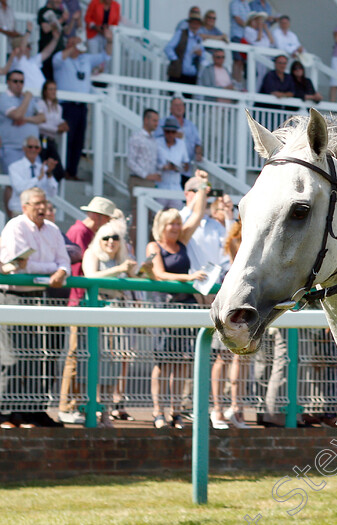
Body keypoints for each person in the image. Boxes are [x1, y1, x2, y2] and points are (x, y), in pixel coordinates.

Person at [0, 187, 70, 428]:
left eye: (45, 202)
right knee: (11, 358)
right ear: (25, 206)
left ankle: (32, 411)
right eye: (37, 203)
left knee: (38, 356)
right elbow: (22, 265)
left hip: (40, 297)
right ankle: (6, 413)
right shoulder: (15, 226)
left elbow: (65, 261)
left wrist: (61, 270)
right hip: (13, 297)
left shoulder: (52, 229)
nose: (42, 207)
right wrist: (54, 268)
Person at [145, 201, 208, 429]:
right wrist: (189, 278)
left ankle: (176, 410)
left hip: (186, 306)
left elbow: (198, 213)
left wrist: (202, 186)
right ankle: (157, 411)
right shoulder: (154, 246)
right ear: (161, 225)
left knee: (182, 363)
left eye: (177, 223)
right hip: (166, 308)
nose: (175, 227)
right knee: (163, 363)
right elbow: (160, 273)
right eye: (171, 223)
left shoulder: (182, 242)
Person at [58, 196, 118, 425]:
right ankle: (66, 405)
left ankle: (74, 404)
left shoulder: (86, 232)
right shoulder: (79, 232)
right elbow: (81, 268)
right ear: (99, 216)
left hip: (85, 301)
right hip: (79, 300)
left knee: (82, 356)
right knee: (74, 356)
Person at [81, 220, 147, 425]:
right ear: (98, 239)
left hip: (118, 315)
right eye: (106, 238)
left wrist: (144, 269)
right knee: (95, 363)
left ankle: (107, 411)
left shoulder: (122, 258)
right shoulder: (92, 254)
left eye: (115, 238)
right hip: (96, 313)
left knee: (114, 365)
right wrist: (119, 268)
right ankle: (92, 409)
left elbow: (136, 279)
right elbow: (91, 276)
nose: (111, 242)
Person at [53, 35, 111, 180]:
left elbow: (106, 55)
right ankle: (63, 170)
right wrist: (73, 46)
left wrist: (109, 40)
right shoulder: (62, 58)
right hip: (67, 105)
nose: (76, 45)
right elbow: (57, 60)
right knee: (68, 139)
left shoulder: (86, 59)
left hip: (82, 106)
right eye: (71, 42)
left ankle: (73, 171)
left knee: (79, 140)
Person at [0, 71, 46, 169]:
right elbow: (17, 116)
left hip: (32, 150)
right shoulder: (4, 98)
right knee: (13, 182)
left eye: (21, 82)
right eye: (15, 81)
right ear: (8, 82)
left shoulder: (27, 98)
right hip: (12, 149)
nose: (19, 84)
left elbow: (42, 117)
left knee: (36, 181)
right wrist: (27, 98)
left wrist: (26, 119)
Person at [127, 108, 162, 234]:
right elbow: (131, 162)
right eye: (154, 120)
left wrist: (159, 172)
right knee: (137, 217)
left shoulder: (154, 140)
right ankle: (133, 250)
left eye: (157, 121)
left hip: (150, 182)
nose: (156, 123)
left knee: (148, 217)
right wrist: (147, 175)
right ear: (146, 120)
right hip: (138, 180)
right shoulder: (136, 137)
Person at [7, 136, 58, 216]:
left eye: (36, 147)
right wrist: (38, 178)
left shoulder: (43, 168)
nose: (33, 150)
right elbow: (19, 189)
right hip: (20, 211)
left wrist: (49, 174)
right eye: (30, 147)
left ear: (39, 149)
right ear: (24, 148)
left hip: (39, 213)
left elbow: (52, 193)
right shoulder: (14, 167)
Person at [2, 30, 61, 95]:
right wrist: (28, 31)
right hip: (29, 96)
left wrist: (55, 39)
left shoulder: (33, 60)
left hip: (42, 96)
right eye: (28, 46)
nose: (30, 49)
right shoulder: (16, 60)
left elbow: (47, 52)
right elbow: (22, 49)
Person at [35, 80, 68, 183]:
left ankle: (50, 187)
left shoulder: (58, 107)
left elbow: (57, 120)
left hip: (51, 140)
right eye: (50, 89)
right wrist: (56, 129)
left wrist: (63, 124)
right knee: (42, 165)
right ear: (45, 91)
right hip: (42, 139)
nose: (53, 92)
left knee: (58, 169)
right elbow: (39, 124)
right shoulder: (40, 104)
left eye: (55, 89)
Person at [155, 97, 203, 163]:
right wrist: (172, 136)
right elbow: (156, 139)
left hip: (187, 167)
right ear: (170, 109)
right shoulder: (163, 122)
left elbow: (198, 143)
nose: (179, 107)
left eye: (181, 105)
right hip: (168, 166)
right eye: (176, 105)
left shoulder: (191, 125)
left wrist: (198, 153)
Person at [156, 117, 191, 208]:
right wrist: (163, 167)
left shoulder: (181, 144)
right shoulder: (157, 142)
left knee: (176, 214)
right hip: (161, 184)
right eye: (168, 132)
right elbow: (152, 162)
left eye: (173, 132)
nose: (170, 134)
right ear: (164, 131)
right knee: (157, 213)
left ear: (176, 132)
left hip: (176, 185)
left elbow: (186, 164)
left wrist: (178, 168)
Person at [37, 0, 74, 82]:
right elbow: (46, 29)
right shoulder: (43, 11)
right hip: (46, 51)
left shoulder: (60, 12)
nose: (59, 2)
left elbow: (67, 31)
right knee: (46, 78)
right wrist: (61, 20)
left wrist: (72, 19)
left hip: (59, 51)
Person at [164, 13, 204, 87]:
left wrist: (200, 54)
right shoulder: (181, 33)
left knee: (188, 97)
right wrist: (175, 60)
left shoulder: (199, 38)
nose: (195, 26)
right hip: (178, 74)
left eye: (197, 24)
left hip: (192, 76)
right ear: (189, 23)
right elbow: (168, 48)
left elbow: (203, 57)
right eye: (194, 23)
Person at [243, 11, 274, 84]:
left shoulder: (260, 32)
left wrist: (266, 28)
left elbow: (271, 41)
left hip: (265, 55)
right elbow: (258, 40)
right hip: (257, 56)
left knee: (263, 76)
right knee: (258, 77)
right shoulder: (248, 30)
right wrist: (260, 28)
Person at [229, 0, 251, 82]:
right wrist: (249, 27)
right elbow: (238, 19)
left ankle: (239, 82)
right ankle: (235, 81)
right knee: (237, 60)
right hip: (237, 35)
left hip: (245, 37)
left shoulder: (246, 4)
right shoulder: (234, 3)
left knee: (242, 61)